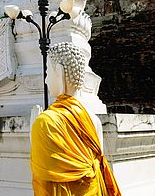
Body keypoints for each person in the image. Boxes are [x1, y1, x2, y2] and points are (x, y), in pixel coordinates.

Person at [30, 42, 122, 196]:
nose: (46, 80)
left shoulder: (46, 121)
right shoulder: (95, 121)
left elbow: (44, 170)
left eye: (48, 73)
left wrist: (34, 128)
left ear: (59, 72)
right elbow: (98, 167)